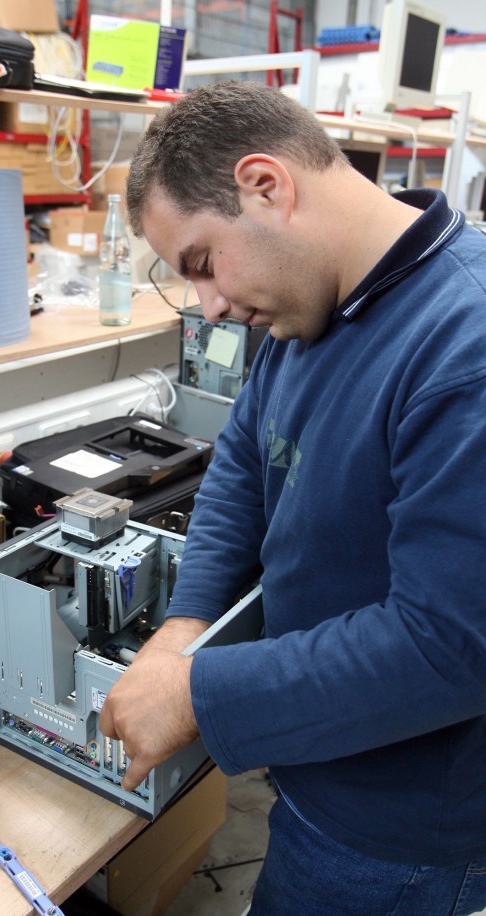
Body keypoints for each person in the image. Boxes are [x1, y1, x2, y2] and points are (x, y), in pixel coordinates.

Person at [98, 80, 486, 915]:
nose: (212, 306)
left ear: (266, 186)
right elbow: (244, 459)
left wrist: (195, 693)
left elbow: (448, 646)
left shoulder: (466, 346)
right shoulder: (316, 300)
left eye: (203, 263)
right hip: (322, 762)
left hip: (399, 833)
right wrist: (183, 626)